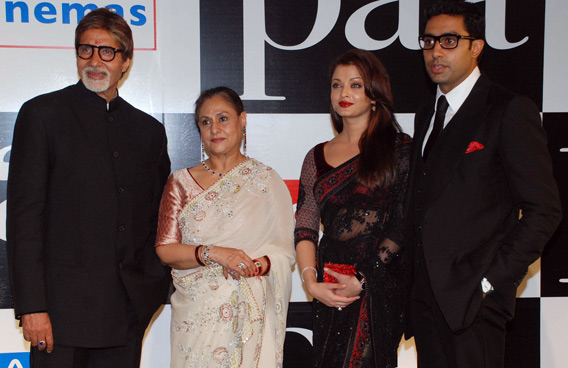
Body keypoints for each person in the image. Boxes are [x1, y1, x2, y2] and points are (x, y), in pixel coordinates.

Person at [6, 8, 171, 368]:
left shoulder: (148, 132)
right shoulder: (42, 115)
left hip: (125, 313)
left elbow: (159, 216)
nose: (95, 60)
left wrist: (149, 289)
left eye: (107, 52)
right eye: (86, 50)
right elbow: (24, 219)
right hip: (58, 317)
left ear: (126, 61)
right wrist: (32, 306)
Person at [407, 1, 562, 367]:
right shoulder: (426, 112)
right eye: (428, 42)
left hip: (475, 301)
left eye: (449, 41)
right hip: (425, 301)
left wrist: (492, 281)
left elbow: (545, 209)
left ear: (476, 46)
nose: (436, 52)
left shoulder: (509, 109)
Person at [155, 86, 295, 368]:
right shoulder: (180, 183)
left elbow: (283, 254)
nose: (214, 129)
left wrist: (252, 267)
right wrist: (214, 253)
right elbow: (165, 250)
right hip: (196, 319)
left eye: (223, 118)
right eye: (205, 122)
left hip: (249, 315)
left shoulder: (266, 181)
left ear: (242, 120)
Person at [295, 49, 411, 368]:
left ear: (375, 94)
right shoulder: (315, 157)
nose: (344, 93)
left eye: (355, 85)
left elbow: (403, 223)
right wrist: (310, 283)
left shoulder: (400, 150)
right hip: (328, 288)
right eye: (337, 85)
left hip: (375, 286)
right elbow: (305, 223)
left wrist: (362, 278)